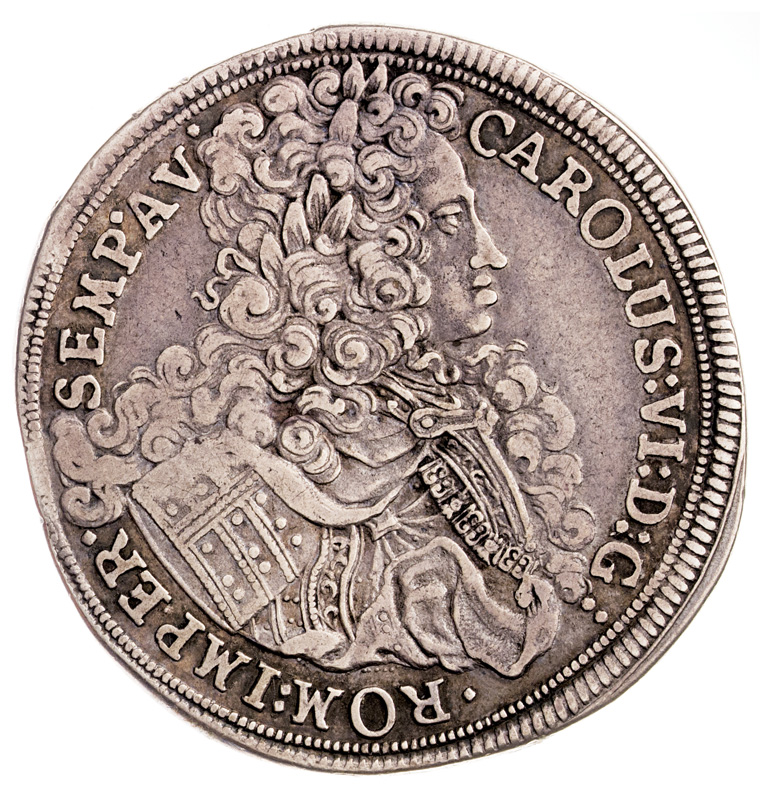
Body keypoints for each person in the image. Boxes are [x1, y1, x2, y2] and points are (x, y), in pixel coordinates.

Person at [53, 59, 595, 678]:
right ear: (373, 257)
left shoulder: (449, 434)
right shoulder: (213, 497)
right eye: (453, 222)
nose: (489, 253)